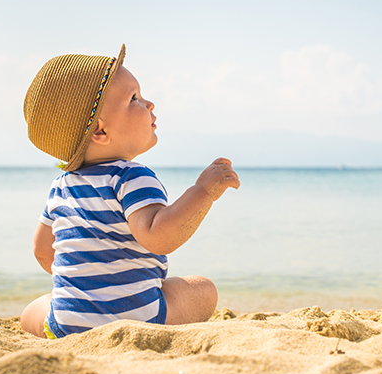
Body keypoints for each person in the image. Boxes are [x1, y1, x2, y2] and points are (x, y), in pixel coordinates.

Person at [20, 44, 240, 339]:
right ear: (100, 132)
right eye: (134, 98)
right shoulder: (131, 176)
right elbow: (158, 236)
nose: (149, 104)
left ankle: (66, 319)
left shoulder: (62, 186)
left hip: (69, 325)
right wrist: (203, 192)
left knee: (32, 311)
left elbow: (43, 251)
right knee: (202, 289)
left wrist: (88, 284)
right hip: (139, 318)